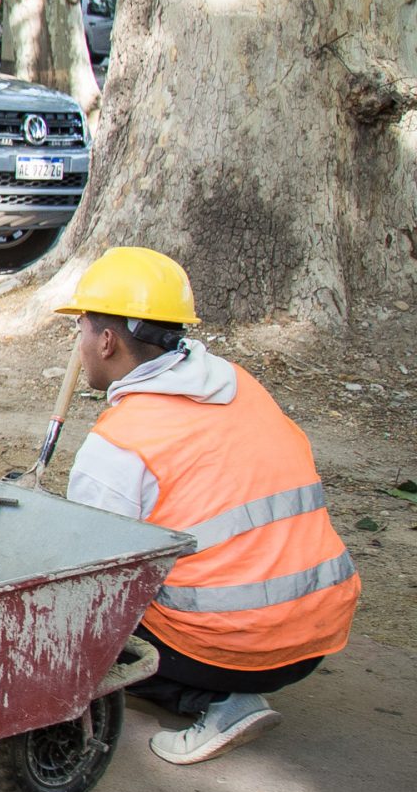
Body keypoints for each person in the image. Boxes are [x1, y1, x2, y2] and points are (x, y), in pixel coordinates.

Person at [59, 247, 359, 764]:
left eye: (81, 328)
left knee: (70, 630)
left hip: (235, 648)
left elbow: (90, 578)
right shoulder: (238, 383)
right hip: (320, 628)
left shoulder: (121, 444)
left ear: (106, 341)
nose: (79, 343)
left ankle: (215, 701)